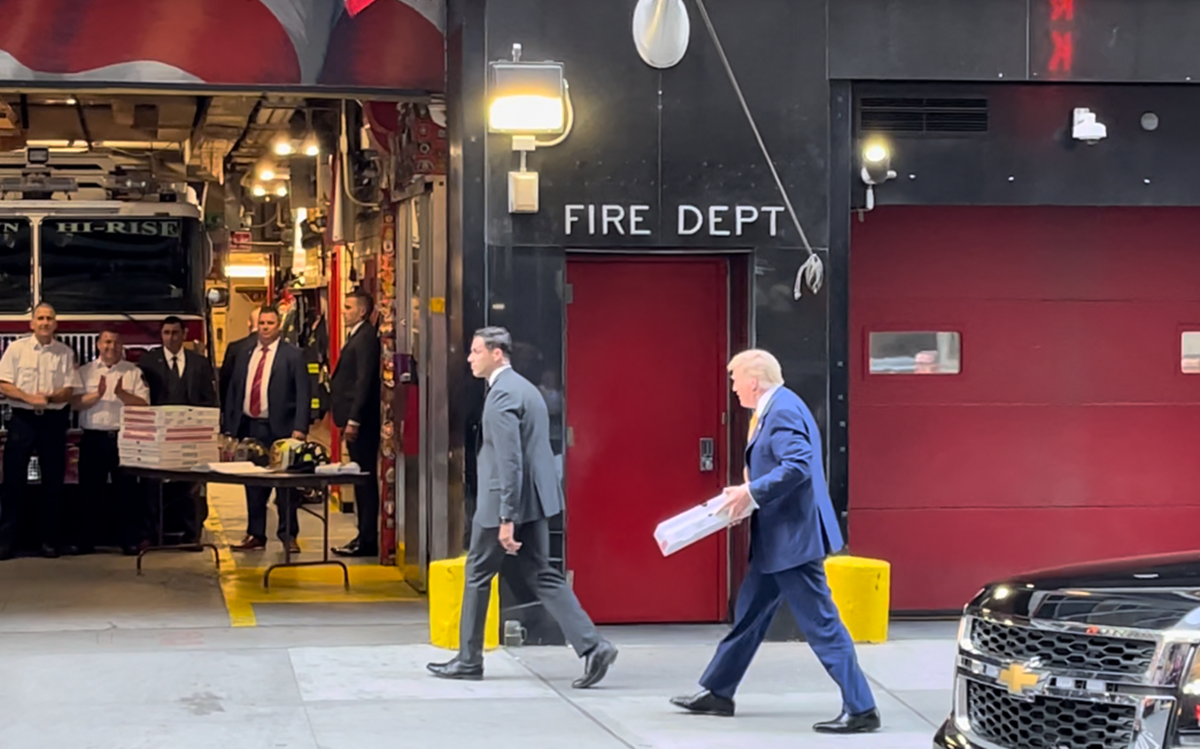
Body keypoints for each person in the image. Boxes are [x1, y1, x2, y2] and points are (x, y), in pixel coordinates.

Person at [670, 349, 880, 734]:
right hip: (778, 540)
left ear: (753, 379)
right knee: (749, 616)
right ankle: (718, 691)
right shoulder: (778, 406)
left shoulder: (781, 410)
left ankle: (862, 708)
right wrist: (746, 498)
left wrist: (751, 494)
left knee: (822, 623)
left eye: (735, 381)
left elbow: (797, 465)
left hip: (793, 542)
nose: (733, 389)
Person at [427, 327, 617, 688]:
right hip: (534, 501)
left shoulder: (501, 397)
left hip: (505, 501)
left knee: (477, 574)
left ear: (497, 353)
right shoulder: (526, 390)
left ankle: (469, 659)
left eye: (475, 351)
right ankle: (593, 645)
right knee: (542, 574)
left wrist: (505, 518)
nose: (469, 358)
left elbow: (509, 461)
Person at [221, 306, 311, 553]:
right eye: (262, 323)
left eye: (270, 323)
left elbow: (304, 393)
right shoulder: (245, 353)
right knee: (253, 484)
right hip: (252, 426)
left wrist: (300, 428)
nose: (265, 327)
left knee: (286, 488)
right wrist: (229, 426)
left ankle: (288, 535)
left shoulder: (293, 355)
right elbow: (234, 389)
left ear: (279, 325)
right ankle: (255, 534)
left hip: (282, 430)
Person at [0, 303, 82, 559]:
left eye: (50, 318)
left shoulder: (65, 353)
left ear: (55, 324)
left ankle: (48, 541)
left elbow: (69, 390)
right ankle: (6, 542)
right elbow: (3, 384)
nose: (45, 322)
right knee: (12, 482)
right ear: (31, 323)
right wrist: (27, 398)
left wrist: (47, 399)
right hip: (22, 420)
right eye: (41, 318)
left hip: (53, 421)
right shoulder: (16, 349)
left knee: (53, 483)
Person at [138, 316, 220, 543]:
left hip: (190, 434)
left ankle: (191, 533)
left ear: (184, 334)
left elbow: (209, 399)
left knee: (192, 485)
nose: (171, 338)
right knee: (152, 485)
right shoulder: (148, 361)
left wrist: (210, 431)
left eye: (175, 333)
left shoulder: (199, 363)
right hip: (158, 435)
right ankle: (151, 533)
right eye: (166, 333)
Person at [73, 330, 150, 555]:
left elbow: (144, 404)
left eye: (116, 342)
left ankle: (128, 541)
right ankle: (85, 541)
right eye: (107, 342)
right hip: (93, 438)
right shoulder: (85, 372)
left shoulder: (133, 372)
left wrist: (121, 394)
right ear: (98, 344)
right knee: (88, 491)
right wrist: (96, 395)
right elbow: (74, 403)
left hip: (123, 438)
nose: (111, 346)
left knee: (126, 492)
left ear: (122, 346)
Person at [330, 289, 382, 558]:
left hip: (362, 421)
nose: (344, 310)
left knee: (364, 479)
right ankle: (363, 534)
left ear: (362, 311)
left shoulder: (365, 339)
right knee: (360, 478)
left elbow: (364, 381)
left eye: (349, 307)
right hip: (353, 418)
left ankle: (367, 539)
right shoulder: (357, 336)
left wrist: (354, 418)